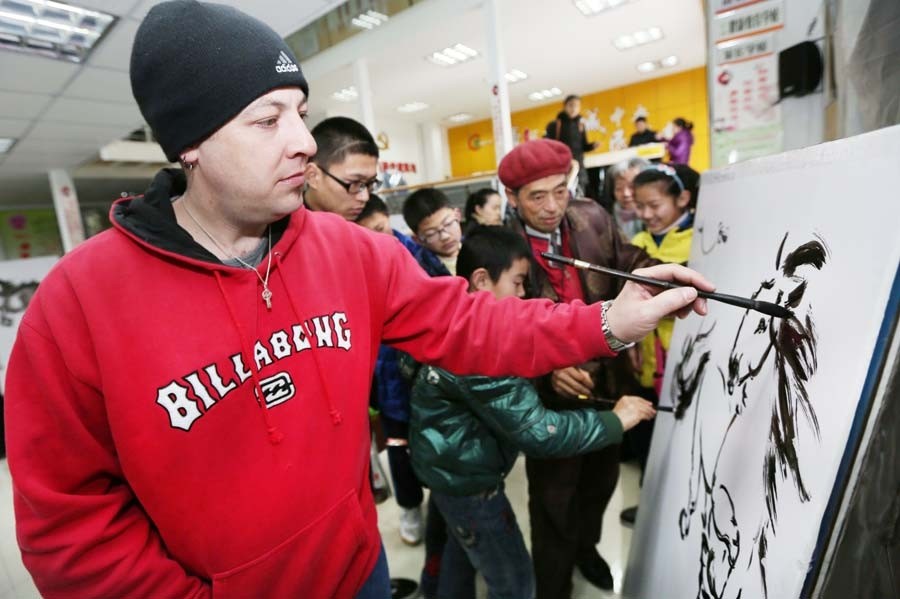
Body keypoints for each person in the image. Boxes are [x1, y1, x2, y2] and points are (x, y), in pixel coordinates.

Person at [3, 3, 714, 598]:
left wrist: (609, 320)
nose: (303, 142)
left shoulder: (352, 253)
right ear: (190, 142)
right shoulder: (79, 306)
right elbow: (69, 524)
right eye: (267, 119)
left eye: (301, 113)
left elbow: (471, 324)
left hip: (362, 572)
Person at [408, 226, 657, 599]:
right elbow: (540, 432)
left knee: (460, 556)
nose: (524, 294)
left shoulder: (455, 317)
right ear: (481, 280)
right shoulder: (477, 347)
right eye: (519, 282)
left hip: (450, 470)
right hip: (471, 486)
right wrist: (616, 419)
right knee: (514, 581)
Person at [500, 138, 659, 598]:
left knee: (600, 483)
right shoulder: (496, 247)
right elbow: (495, 331)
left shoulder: (590, 216)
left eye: (559, 190)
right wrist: (544, 371)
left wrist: (663, 271)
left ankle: (588, 550)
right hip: (549, 402)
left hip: (607, 383)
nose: (552, 207)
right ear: (512, 197)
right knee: (553, 500)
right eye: (537, 196)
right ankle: (553, 584)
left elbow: (624, 262)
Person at [620, 164, 695, 526]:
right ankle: (652, 507)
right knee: (650, 437)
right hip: (647, 361)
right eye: (640, 206)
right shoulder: (637, 246)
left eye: (655, 205)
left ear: (682, 198)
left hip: (689, 356)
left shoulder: (703, 238)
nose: (646, 215)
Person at [356, 195, 427, 546]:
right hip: (385, 382)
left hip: (426, 374)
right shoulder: (351, 264)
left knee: (437, 442)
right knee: (399, 451)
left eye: (382, 229)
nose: (378, 239)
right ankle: (410, 508)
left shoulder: (415, 254)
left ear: (389, 220)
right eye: (366, 233)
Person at [304, 116, 381, 220]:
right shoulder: (282, 230)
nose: (365, 197)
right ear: (312, 176)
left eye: (371, 183)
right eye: (354, 183)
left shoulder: (368, 222)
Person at [402, 188, 462, 277]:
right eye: (431, 234)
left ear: (457, 215)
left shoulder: (480, 245)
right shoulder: (420, 271)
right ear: (417, 240)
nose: (445, 236)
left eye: (448, 224)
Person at [545, 94, 597, 196]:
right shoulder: (555, 125)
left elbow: (583, 146)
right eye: (571, 105)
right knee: (562, 194)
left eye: (577, 106)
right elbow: (549, 146)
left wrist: (591, 146)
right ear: (565, 106)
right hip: (562, 166)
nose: (574, 108)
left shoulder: (580, 125)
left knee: (580, 194)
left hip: (579, 166)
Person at [602, 157, 651, 239]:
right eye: (619, 188)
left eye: (632, 187)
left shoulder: (657, 215)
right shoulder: (606, 218)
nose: (626, 194)